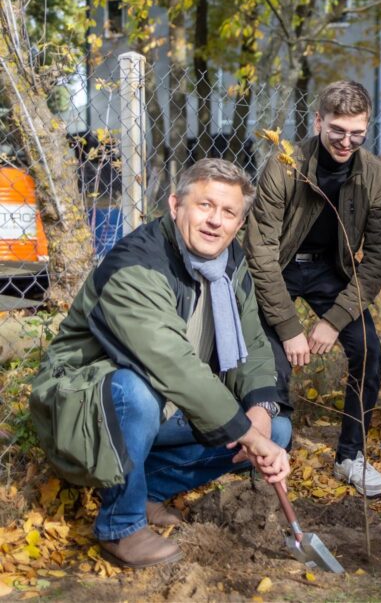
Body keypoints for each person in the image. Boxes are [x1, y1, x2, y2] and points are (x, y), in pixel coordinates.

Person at [30, 159, 291, 568]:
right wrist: (246, 434)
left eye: (228, 213)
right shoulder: (138, 264)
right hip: (83, 405)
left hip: (166, 402)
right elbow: (172, 364)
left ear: (239, 224)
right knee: (137, 393)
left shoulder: (230, 263)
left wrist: (259, 410)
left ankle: (148, 488)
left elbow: (254, 341)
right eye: (205, 205)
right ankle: (121, 525)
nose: (215, 222)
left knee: (277, 428)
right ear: (175, 205)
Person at [244, 80, 381, 497]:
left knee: (368, 351)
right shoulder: (285, 165)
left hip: (334, 273)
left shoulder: (377, 177)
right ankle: (274, 453)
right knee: (271, 359)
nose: (346, 142)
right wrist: (290, 326)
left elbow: (380, 257)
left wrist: (333, 320)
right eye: (337, 131)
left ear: (367, 128)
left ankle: (351, 455)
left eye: (357, 134)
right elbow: (260, 252)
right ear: (318, 121)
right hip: (281, 268)